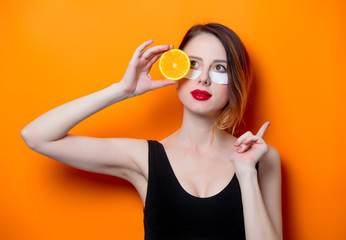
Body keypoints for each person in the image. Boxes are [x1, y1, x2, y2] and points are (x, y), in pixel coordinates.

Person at [21, 23, 282, 240]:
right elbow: (36, 136)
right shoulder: (143, 157)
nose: (203, 78)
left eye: (219, 68)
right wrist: (122, 90)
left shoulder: (262, 158)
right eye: (192, 64)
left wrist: (246, 173)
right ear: (176, 70)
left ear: (235, 82)